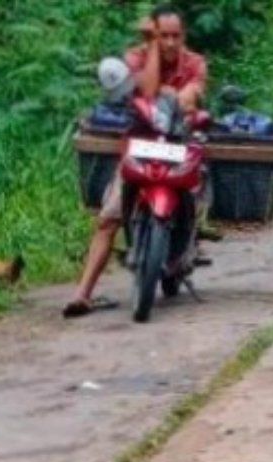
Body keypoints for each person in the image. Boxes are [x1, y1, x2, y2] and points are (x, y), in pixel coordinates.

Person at [63, 5, 208, 319]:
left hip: (178, 145)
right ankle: (83, 292)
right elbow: (148, 89)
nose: (170, 43)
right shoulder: (135, 58)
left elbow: (190, 96)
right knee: (109, 217)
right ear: (152, 33)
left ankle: (187, 244)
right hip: (140, 145)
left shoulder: (195, 63)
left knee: (197, 194)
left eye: (175, 36)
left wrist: (184, 96)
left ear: (183, 36)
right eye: (162, 36)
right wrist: (152, 49)